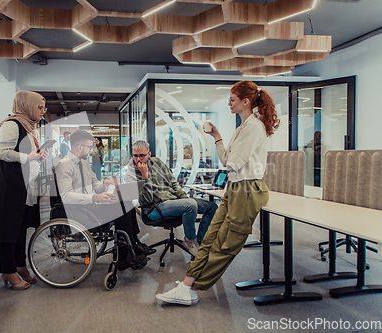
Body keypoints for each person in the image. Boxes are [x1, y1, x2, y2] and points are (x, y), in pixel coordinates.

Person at [155, 80, 279, 305]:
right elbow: (226, 161)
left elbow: (231, 163)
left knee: (225, 244)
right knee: (211, 239)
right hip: (235, 188)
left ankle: (191, 285)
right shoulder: (242, 127)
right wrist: (217, 136)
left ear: (245, 101)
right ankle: (187, 284)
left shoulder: (254, 127)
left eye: (232, 99)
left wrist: (226, 152)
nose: (229, 103)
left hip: (247, 189)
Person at [0, 90, 50, 290]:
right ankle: (8, 271)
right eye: (39, 107)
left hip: (24, 186)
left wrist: (37, 156)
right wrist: (28, 157)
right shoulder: (13, 124)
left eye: (44, 108)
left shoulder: (28, 126)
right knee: (9, 230)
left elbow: (25, 153)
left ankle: (20, 266)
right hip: (11, 187)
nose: (42, 111)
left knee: (20, 227)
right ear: (27, 106)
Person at [55, 130, 154, 269]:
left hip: (90, 205)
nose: (91, 150)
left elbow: (95, 184)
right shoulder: (64, 165)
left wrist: (105, 184)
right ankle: (127, 254)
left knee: (126, 203)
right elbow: (66, 196)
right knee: (122, 209)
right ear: (79, 147)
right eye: (89, 147)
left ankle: (133, 244)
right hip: (79, 210)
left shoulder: (83, 163)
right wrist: (95, 197)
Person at [125, 140, 217, 256]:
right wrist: (145, 176)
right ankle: (190, 241)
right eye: (135, 156)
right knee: (190, 205)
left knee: (212, 207)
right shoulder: (130, 175)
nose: (138, 159)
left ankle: (200, 242)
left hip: (173, 201)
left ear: (149, 154)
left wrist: (183, 197)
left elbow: (172, 182)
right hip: (155, 208)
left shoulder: (157, 162)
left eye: (142, 155)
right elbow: (146, 201)